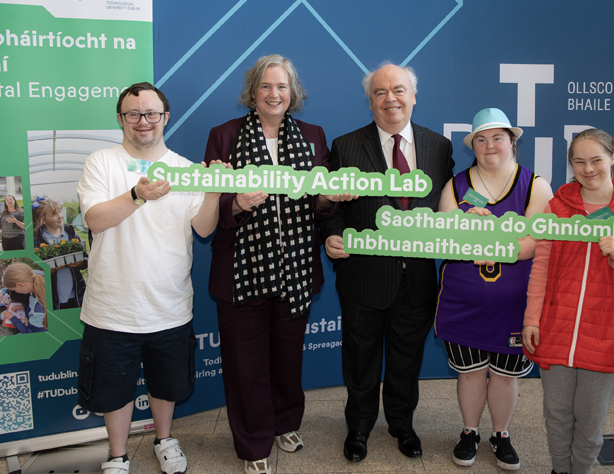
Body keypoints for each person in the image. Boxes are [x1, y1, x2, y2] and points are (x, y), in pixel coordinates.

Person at [204, 54, 353, 474]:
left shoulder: (312, 135)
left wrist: (330, 198)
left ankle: (286, 422)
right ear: (253, 92)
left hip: (296, 268)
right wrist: (237, 203)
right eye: (266, 86)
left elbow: (319, 204)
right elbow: (209, 204)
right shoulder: (225, 136)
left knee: (288, 358)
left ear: (293, 93)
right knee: (244, 364)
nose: (274, 94)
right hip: (241, 271)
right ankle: (253, 444)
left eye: (282, 86)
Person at [76, 82, 223, 474]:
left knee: (166, 385)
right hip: (111, 307)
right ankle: (118, 455)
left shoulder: (186, 170)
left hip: (169, 305)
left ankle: (164, 439)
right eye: (134, 114)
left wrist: (211, 193)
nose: (144, 121)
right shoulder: (101, 162)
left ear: (166, 117)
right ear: (121, 119)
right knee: (113, 389)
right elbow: (94, 220)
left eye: (152, 113)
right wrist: (137, 195)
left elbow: (205, 229)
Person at [320, 62, 454, 462]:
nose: (390, 99)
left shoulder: (439, 146)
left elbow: (447, 207)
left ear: (413, 96)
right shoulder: (346, 146)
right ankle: (358, 426)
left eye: (398, 90)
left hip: (416, 277)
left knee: (406, 358)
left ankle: (402, 423)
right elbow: (332, 206)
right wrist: (331, 234)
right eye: (380, 93)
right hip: (363, 276)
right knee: (360, 359)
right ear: (370, 101)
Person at [522, 128, 614, 474]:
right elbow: (541, 266)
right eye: (579, 161)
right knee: (556, 413)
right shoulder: (558, 206)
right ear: (571, 164)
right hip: (556, 327)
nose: (588, 169)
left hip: (607, 332)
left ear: (612, 158)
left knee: (590, 419)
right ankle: (559, 469)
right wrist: (531, 319)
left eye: (596, 160)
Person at [435, 108, 553, 470]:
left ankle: (501, 434)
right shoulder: (455, 185)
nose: (490, 146)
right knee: (469, 372)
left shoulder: (535, 184)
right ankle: (469, 431)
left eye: (497, 138)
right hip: (463, 300)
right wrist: (463, 228)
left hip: (514, 304)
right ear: (473, 146)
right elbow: (442, 236)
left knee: (504, 375)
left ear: (512, 141)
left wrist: (487, 242)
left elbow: (539, 239)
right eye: (481, 140)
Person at [32, 198, 87, 309]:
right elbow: (33, 268)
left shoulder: (70, 231)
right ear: (43, 220)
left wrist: (81, 263)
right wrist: (48, 270)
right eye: (54, 214)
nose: (60, 216)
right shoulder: (36, 238)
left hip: (76, 293)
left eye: (60, 212)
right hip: (53, 297)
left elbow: (86, 259)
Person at [1, 262, 48, 333]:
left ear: (20, 285)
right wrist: (24, 307)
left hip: (37, 333)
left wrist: (13, 319)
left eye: (14, 290)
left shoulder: (38, 309)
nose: (15, 292)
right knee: (3, 315)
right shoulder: (35, 276)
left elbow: (30, 333)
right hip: (34, 321)